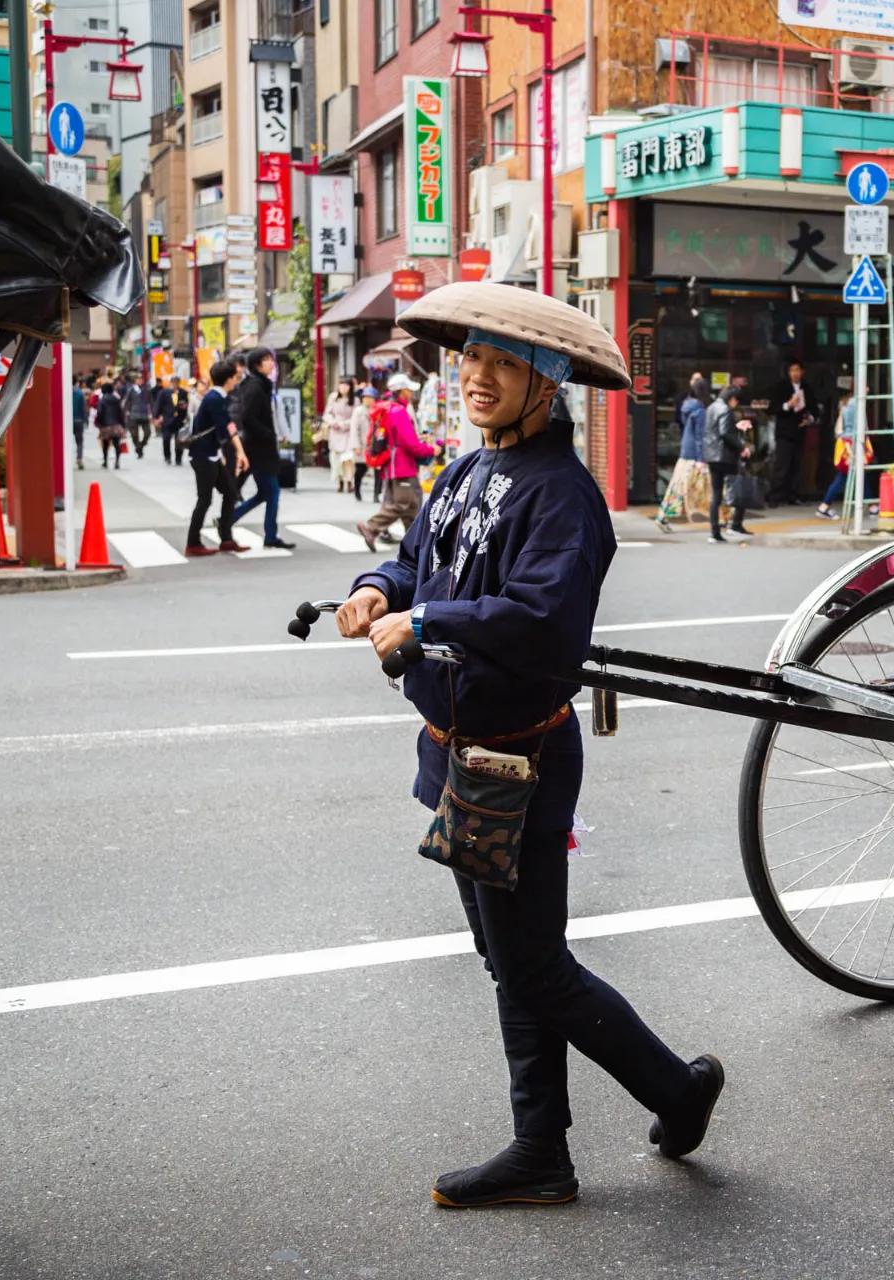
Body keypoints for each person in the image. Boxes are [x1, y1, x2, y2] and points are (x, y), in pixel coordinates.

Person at [334, 280, 723, 1209]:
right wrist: (380, 590)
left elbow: (542, 622)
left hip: (517, 761)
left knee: (531, 962)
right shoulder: (469, 470)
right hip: (460, 755)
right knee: (514, 958)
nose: (477, 374)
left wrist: (424, 619)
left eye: (502, 361)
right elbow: (418, 555)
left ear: (546, 383)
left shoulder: (564, 497)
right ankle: (540, 1149)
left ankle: (674, 1090)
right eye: (471, 356)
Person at [357, 374, 436, 550]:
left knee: (413, 506)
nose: (411, 393)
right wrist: (431, 450)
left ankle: (415, 547)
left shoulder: (390, 410)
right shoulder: (398, 411)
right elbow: (409, 444)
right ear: (402, 391)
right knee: (403, 504)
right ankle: (371, 527)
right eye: (408, 389)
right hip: (402, 467)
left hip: (394, 467)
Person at [229, 348, 296, 549]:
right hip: (259, 450)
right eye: (267, 360)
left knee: (265, 493)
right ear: (257, 364)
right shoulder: (255, 387)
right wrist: (268, 434)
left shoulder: (261, 385)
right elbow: (248, 418)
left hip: (260, 449)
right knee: (272, 493)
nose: (271, 364)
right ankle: (269, 536)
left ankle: (230, 519)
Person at [184, 359, 244, 555]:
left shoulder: (217, 397)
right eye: (235, 377)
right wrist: (232, 455)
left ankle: (226, 538)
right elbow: (223, 429)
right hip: (204, 456)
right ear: (228, 379)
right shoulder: (215, 399)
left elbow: (226, 426)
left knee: (230, 492)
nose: (237, 381)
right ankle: (193, 543)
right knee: (205, 499)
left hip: (211, 455)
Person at [660, 374, 710, 533]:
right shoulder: (701, 411)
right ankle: (724, 518)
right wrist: (701, 458)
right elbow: (699, 436)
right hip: (694, 455)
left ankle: (663, 516)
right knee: (709, 487)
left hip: (685, 451)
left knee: (678, 487)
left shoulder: (687, 406)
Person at [704, 391, 752, 543]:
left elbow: (716, 430)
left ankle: (714, 531)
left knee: (716, 494)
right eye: (736, 401)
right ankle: (735, 524)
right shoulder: (725, 409)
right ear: (731, 399)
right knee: (737, 488)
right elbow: (724, 433)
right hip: (724, 456)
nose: (735, 404)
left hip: (711, 455)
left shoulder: (711, 407)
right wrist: (741, 447)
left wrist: (735, 427)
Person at [765, 360, 814, 506]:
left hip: (800, 430)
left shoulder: (807, 387)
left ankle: (794, 495)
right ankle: (775, 496)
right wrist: (788, 405)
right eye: (792, 370)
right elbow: (771, 409)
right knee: (782, 465)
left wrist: (809, 419)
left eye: (797, 370)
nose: (795, 373)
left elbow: (814, 408)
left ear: (802, 372)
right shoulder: (781, 387)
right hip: (784, 432)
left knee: (797, 465)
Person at [816, 391, 871, 518]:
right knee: (845, 476)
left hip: (845, 442)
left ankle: (872, 506)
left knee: (858, 474)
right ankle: (824, 506)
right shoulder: (857, 403)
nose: (868, 389)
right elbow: (862, 426)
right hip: (854, 443)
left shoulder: (844, 403)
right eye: (866, 386)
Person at [323, 378, 360, 493]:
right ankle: (340, 481)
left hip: (349, 432)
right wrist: (333, 423)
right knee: (336, 459)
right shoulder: (333, 398)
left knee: (349, 458)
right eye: (342, 385)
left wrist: (345, 424)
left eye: (346, 385)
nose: (344, 387)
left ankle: (349, 481)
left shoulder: (355, 400)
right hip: (335, 432)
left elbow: (356, 416)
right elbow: (327, 413)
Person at [155, 376, 190, 466]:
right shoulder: (164, 393)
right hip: (167, 419)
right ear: (171, 383)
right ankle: (167, 457)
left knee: (179, 440)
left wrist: (185, 412)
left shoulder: (183, 392)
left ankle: (178, 458)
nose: (175, 384)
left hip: (179, 420)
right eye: (174, 382)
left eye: (177, 382)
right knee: (166, 438)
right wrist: (157, 417)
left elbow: (187, 405)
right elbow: (159, 405)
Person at [351, 386, 377, 501]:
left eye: (370, 397)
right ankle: (357, 490)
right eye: (365, 397)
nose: (368, 400)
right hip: (362, 444)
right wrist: (355, 445)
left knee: (378, 471)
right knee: (360, 470)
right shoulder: (358, 411)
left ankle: (376, 494)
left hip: (376, 445)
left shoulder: (379, 410)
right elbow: (354, 429)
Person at [94, 375, 126, 468]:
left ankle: (105, 461)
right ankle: (117, 462)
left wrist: (99, 423)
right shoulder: (116, 399)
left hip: (105, 426)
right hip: (116, 425)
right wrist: (123, 424)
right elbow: (120, 412)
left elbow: (100, 412)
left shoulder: (102, 400)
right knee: (116, 444)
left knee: (105, 444)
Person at [122, 371, 153, 459]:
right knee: (134, 434)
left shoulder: (147, 389)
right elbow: (127, 401)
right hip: (133, 414)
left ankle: (140, 446)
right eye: (138, 379)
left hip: (144, 414)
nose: (140, 381)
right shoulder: (131, 390)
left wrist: (152, 414)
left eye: (141, 379)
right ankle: (138, 448)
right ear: (135, 381)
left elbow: (151, 402)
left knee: (148, 433)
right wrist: (125, 412)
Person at [70, 376, 89, 469]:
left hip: (68, 421)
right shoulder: (80, 393)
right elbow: (83, 408)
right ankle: (79, 458)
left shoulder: (65, 392)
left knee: (68, 441)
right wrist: (86, 420)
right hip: (78, 420)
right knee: (79, 442)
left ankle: (68, 459)